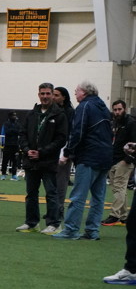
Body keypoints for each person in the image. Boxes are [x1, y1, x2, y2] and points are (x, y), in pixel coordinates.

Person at [53, 81, 111, 240]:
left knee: (78, 195)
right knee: (98, 198)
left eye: (77, 91)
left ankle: (71, 230)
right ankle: (92, 231)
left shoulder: (84, 107)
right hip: (105, 157)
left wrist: (67, 152)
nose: (75, 93)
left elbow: (78, 132)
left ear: (84, 92)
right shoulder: (104, 108)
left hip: (88, 156)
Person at [17, 83, 68, 234]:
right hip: (31, 160)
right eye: (42, 93)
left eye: (48, 93)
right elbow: (22, 134)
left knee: (51, 193)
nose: (45, 96)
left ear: (52, 95)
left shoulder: (59, 115)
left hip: (48, 161)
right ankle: (31, 223)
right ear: (38, 95)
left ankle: (54, 224)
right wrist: (27, 150)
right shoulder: (32, 114)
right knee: (31, 194)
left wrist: (42, 152)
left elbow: (61, 139)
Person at [102, 100, 136, 226]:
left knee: (119, 188)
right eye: (115, 109)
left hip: (124, 160)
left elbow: (134, 142)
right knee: (119, 189)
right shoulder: (113, 122)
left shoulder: (131, 123)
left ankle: (114, 215)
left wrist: (128, 159)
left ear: (125, 109)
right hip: (113, 159)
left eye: (119, 109)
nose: (117, 112)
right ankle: (124, 216)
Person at [52, 86, 75, 218]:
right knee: (51, 180)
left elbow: (71, 132)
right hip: (52, 148)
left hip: (64, 149)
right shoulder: (52, 110)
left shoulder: (69, 112)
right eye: (53, 95)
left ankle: (59, 208)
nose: (53, 97)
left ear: (64, 97)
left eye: (57, 95)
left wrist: (66, 152)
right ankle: (52, 207)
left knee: (61, 180)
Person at [0, 111, 21, 181]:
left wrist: (13, 131)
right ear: (10, 117)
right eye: (13, 116)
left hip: (15, 144)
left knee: (15, 160)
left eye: (15, 116)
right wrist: (14, 131)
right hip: (7, 144)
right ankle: (3, 174)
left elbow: (19, 132)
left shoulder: (18, 124)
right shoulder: (6, 124)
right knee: (5, 160)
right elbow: (7, 132)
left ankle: (14, 175)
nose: (15, 117)